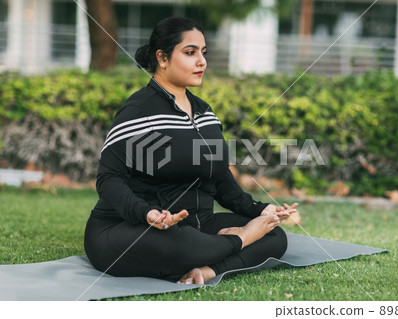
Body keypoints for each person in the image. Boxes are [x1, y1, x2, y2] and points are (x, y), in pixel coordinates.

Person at [83, 17, 299, 285]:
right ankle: (238, 241)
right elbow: (109, 180)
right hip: (131, 228)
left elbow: (219, 178)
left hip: (197, 224)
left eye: (203, 52)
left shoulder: (204, 112)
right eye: (190, 52)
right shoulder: (138, 111)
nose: (201, 61)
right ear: (162, 58)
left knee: (275, 235)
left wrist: (262, 210)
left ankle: (207, 270)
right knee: (191, 244)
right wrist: (146, 213)